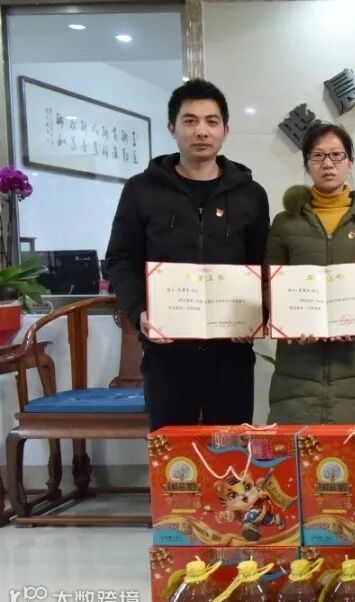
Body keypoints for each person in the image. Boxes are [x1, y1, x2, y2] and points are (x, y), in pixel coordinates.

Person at [105, 79, 270, 431]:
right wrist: (140, 311)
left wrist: (258, 313)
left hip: (231, 352)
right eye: (190, 121)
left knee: (230, 452)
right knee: (172, 453)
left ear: (225, 130)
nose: (201, 131)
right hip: (167, 352)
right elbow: (120, 259)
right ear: (172, 128)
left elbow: (263, 264)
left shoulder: (251, 194)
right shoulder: (140, 190)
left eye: (212, 121)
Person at [264, 123, 355, 424]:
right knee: (296, 451)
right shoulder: (286, 222)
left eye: (337, 155)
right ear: (306, 164)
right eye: (318, 156)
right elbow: (270, 282)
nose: (328, 164)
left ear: (351, 162)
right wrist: (293, 319)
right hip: (298, 371)